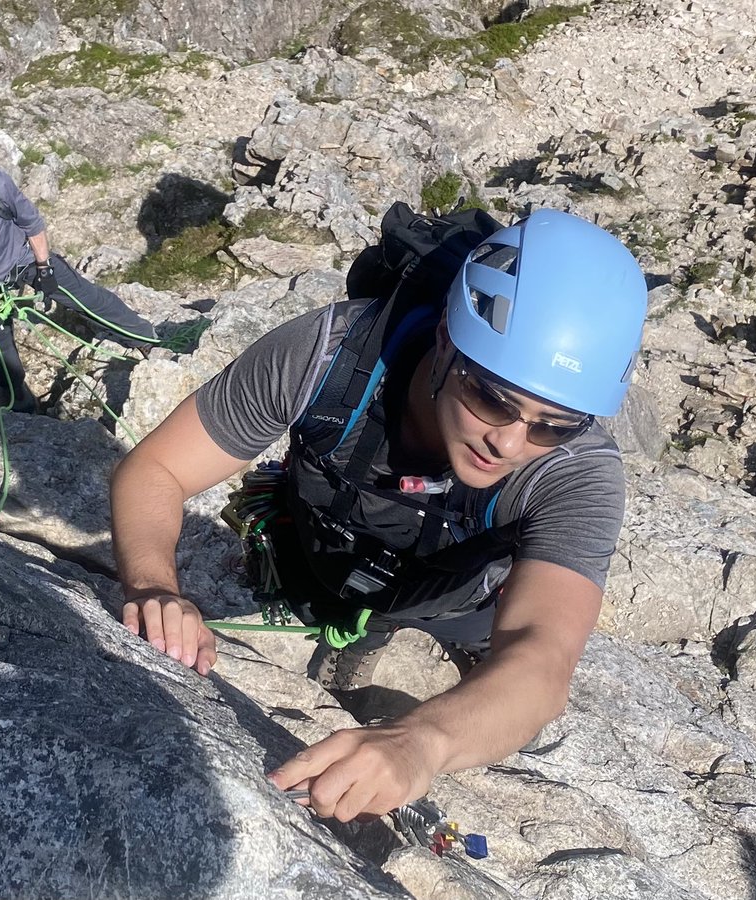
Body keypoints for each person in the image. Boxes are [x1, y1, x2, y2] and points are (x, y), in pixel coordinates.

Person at [109, 208, 647, 823]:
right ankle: (355, 626)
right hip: (320, 556)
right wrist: (154, 586)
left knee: (490, 648)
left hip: (456, 603)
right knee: (327, 594)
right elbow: (156, 470)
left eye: (553, 425)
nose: (511, 442)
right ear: (446, 338)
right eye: (492, 399)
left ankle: (395, 637)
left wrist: (423, 740)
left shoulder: (575, 471)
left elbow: (541, 656)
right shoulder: (331, 356)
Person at [0, 139, 159, 412]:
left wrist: (44, 266)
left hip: (24, 258)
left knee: (86, 297)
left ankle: (146, 338)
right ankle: (21, 403)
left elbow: (32, 223)